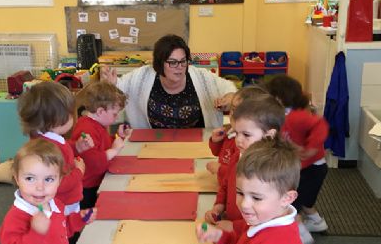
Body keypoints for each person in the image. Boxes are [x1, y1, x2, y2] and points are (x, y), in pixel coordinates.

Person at [100, 34, 236, 129]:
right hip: (153, 142)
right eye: (172, 62)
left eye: (183, 61)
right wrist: (111, 85)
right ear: (160, 63)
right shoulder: (143, 76)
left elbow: (228, 87)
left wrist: (230, 97)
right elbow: (120, 87)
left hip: (196, 142)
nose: (179, 67)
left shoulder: (199, 76)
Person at [18, 81, 92, 244]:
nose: (73, 117)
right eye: (70, 114)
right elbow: (59, 183)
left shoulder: (47, 139)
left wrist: (77, 147)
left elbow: (63, 149)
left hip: (62, 202)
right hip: (62, 204)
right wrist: (79, 172)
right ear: (56, 119)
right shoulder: (47, 149)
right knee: (65, 237)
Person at [205, 95, 285, 232]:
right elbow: (226, 184)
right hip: (232, 225)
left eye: (246, 135)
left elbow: (267, 217)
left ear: (269, 135)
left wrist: (235, 227)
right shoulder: (238, 155)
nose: (238, 140)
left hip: (249, 233)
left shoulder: (269, 171)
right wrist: (218, 207)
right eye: (237, 133)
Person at [266, 75, 329, 244]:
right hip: (308, 169)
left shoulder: (296, 116)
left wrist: (311, 148)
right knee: (305, 201)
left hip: (311, 169)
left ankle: (302, 236)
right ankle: (317, 223)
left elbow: (320, 124)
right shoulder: (283, 116)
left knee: (289, 203)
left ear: (279, 98)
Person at [71, 80, 130, 208]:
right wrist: (113, 151)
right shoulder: (86, 129)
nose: (116, 118)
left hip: (97, 181)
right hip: (87, 189)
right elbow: (93, 162)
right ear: (100, 112)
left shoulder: (97, 125)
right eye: (114, 114)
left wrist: (118, 137)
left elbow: (102, 144)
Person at [206, 85, 269, 183]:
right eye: (233, 109)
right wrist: (216, 142)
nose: (233, 114)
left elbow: (241, 176)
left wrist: (219, 170)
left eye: (240, 111)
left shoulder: (251, 144)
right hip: (224, 185)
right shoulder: (231, 132)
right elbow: (220, 153)